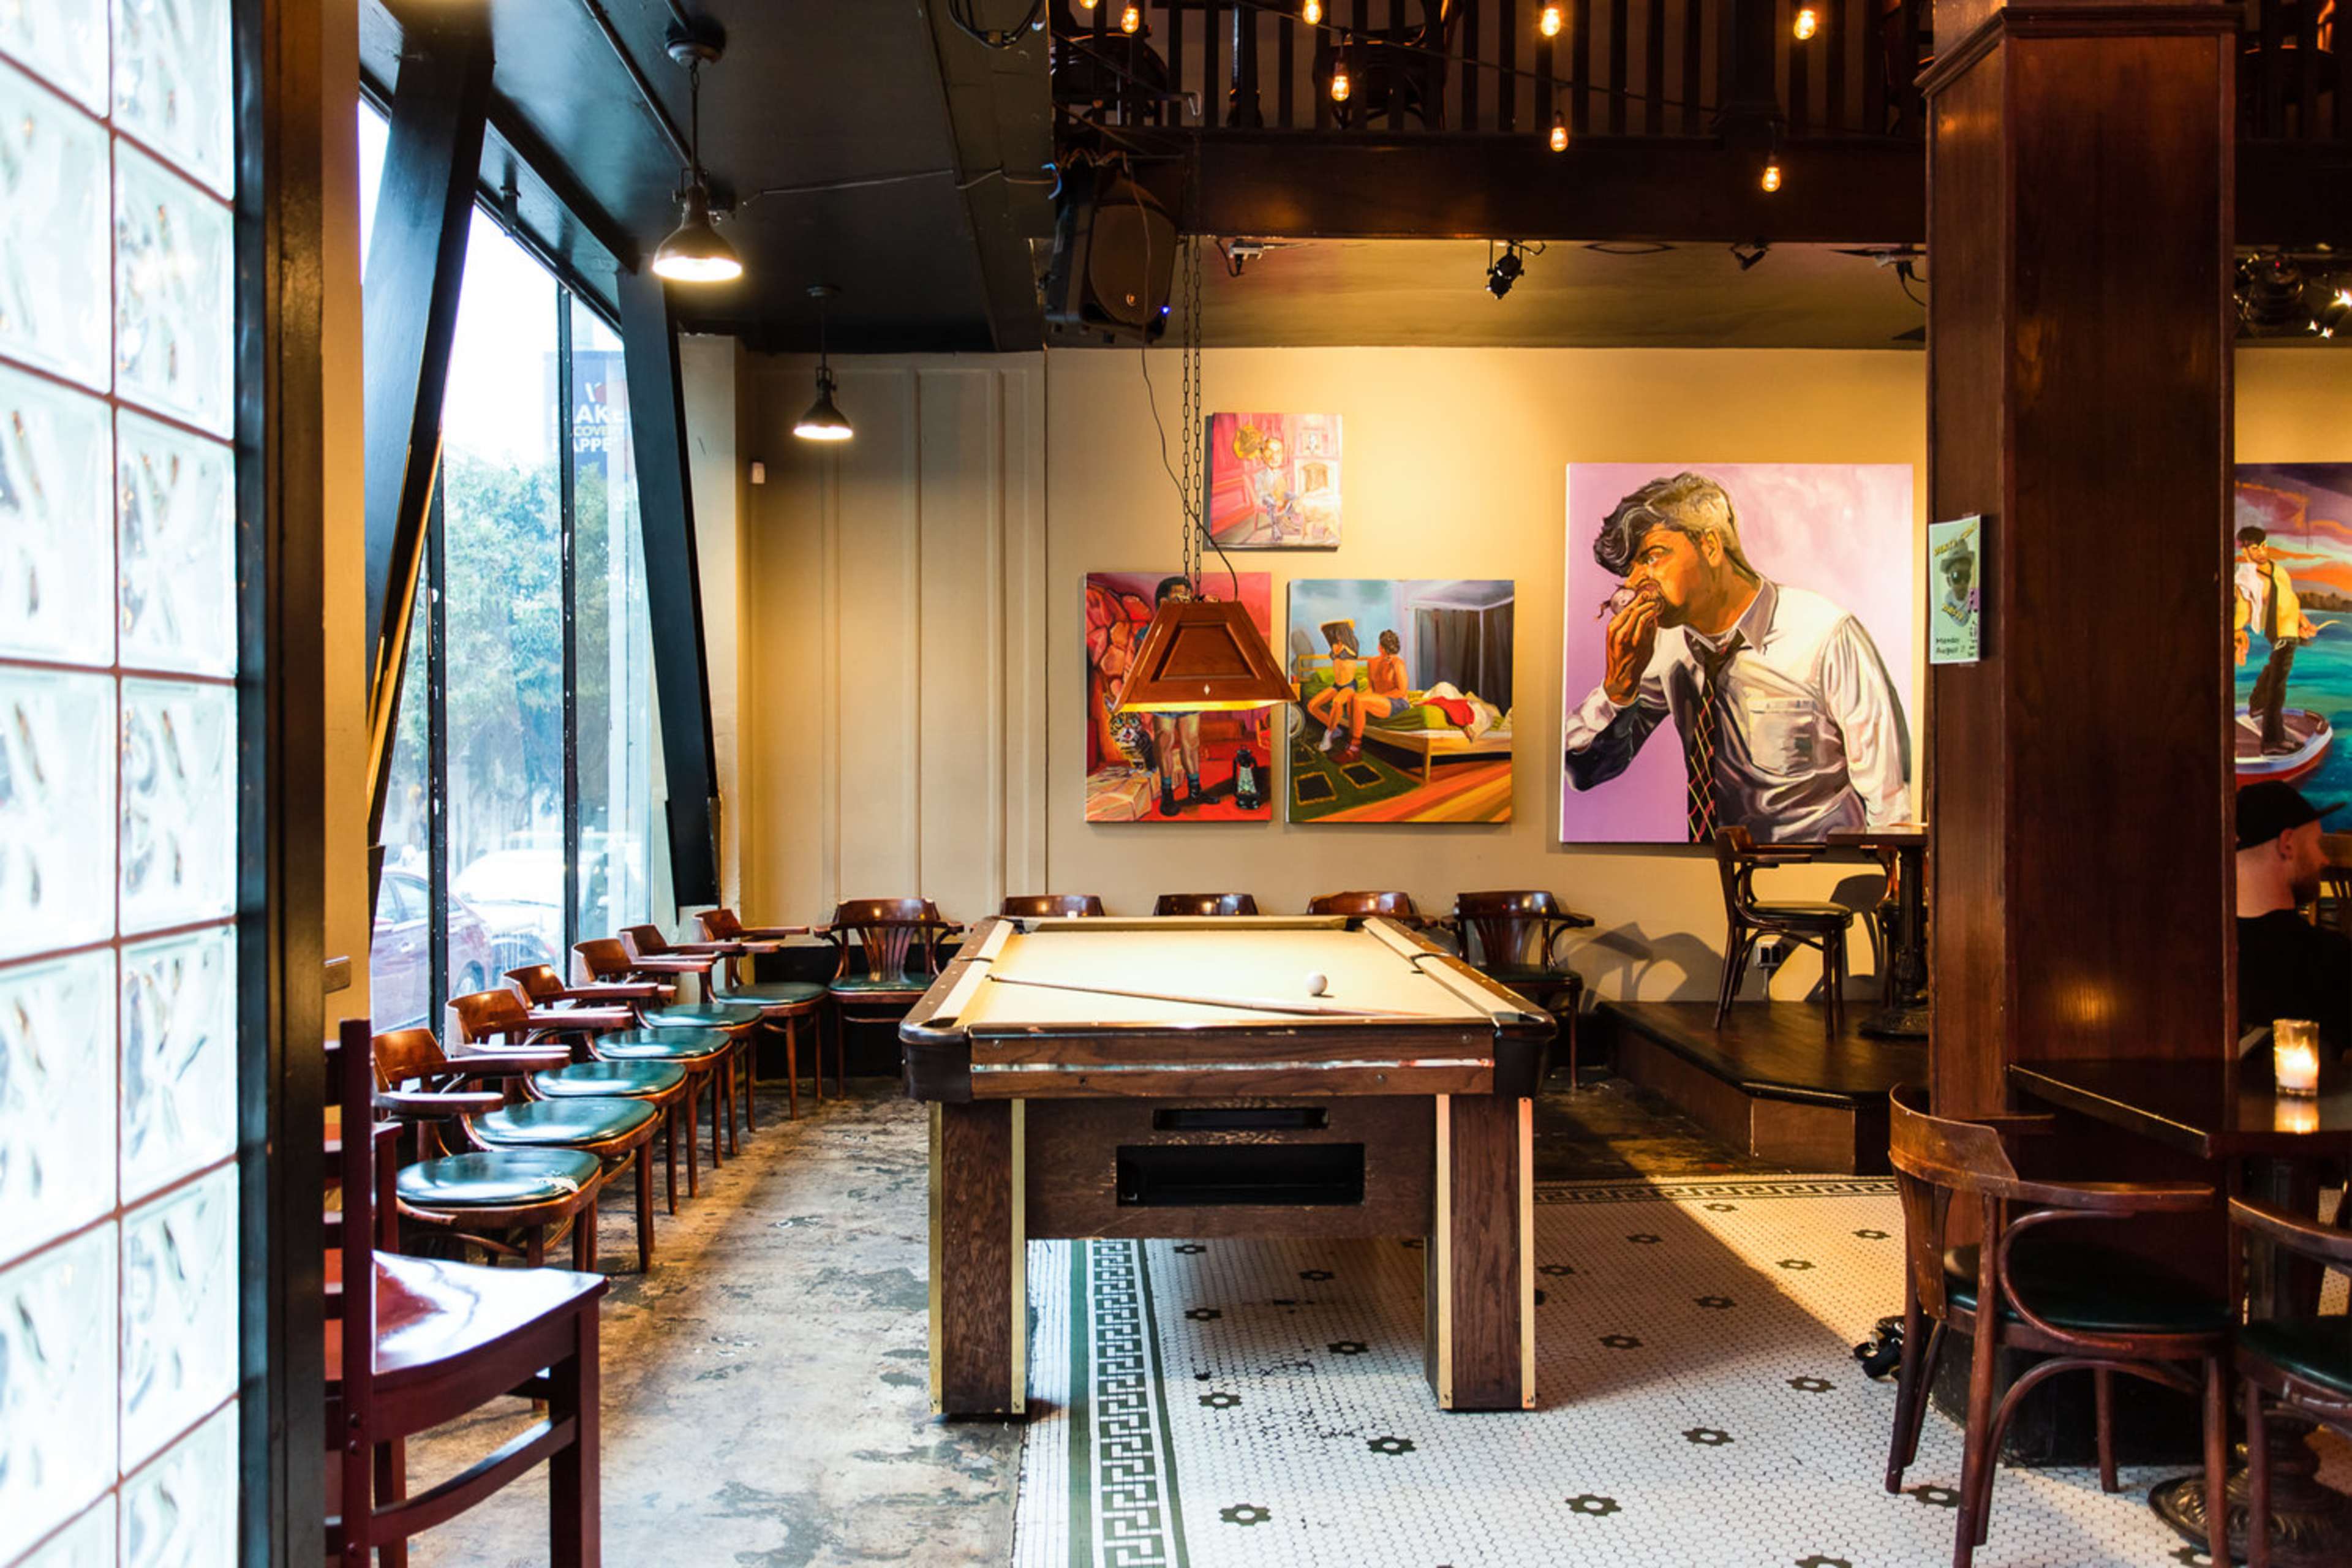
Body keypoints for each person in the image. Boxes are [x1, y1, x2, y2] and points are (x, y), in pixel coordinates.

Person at [1563, 472, 1913, 843]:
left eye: (1652, 557)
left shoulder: (1825, 634)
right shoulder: (1663, 644)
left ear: (1710, 546)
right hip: (1707, 870)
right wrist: (1618, 688)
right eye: (1629, 570)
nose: (1634, 583)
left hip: (1815, 871)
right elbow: (1583, 773)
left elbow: (1893, 803)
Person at [2236, 781, 2351, 1058]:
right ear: (2287, 844)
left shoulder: (2198, 958)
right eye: (2317, 844)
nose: (2324, 859)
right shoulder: (2332, 963)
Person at [2236, 525, 2319, 755]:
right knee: (2278, 686)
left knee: (2275, 669)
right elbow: (2243, 610)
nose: (2262, 552)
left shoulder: (2278, 569)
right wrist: (2235, 631)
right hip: (2281, 633)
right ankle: (2272, 742)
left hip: (2291, 630)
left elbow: (2290, 599)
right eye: (2255, 548)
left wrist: (2302, 622)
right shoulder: (2246, 579)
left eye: (2263, 546)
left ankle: (2257, 704)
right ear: (2245, 551)